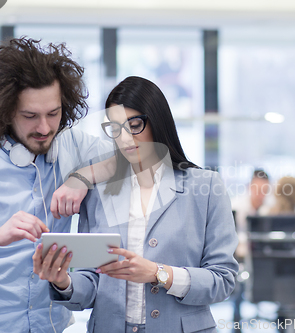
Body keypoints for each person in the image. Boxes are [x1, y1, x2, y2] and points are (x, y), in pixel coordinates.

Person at [0, 37, 113, 332]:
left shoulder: (73, 147)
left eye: (53, 114)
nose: (44, 128)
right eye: (30, 116)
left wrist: (82, 177)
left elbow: (143, 156)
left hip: (51, 327)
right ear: (4, 110)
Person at [32, 76, 239, 333]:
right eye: (116, 129)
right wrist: (63, 281)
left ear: (157, 120)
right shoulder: (98, 193)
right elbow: (92, 280)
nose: (126, 138)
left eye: (135, 124)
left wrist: (157, 273)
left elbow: (223, 279)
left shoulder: (205, 188)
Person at [231, 169, 271, 259]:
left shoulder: (270, 210)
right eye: (258, 189)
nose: (261, 194)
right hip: (238, 254)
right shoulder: (235, 207)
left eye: (265, 190)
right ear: (250, 187)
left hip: (262, 255)